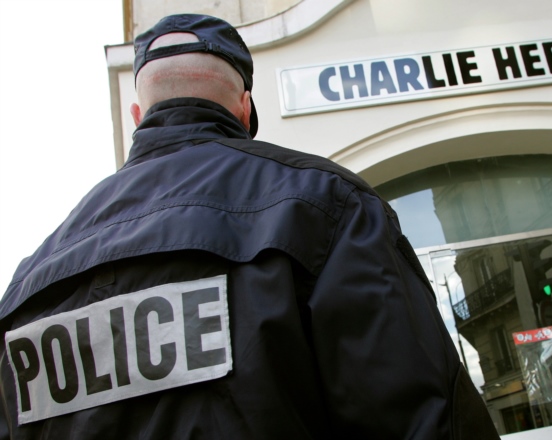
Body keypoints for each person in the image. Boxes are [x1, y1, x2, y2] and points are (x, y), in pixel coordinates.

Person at [0, 14, 500, 439]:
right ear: (243, 108)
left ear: (138, 115)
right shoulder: (324, 207)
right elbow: (423, 416)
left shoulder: (27, 289)